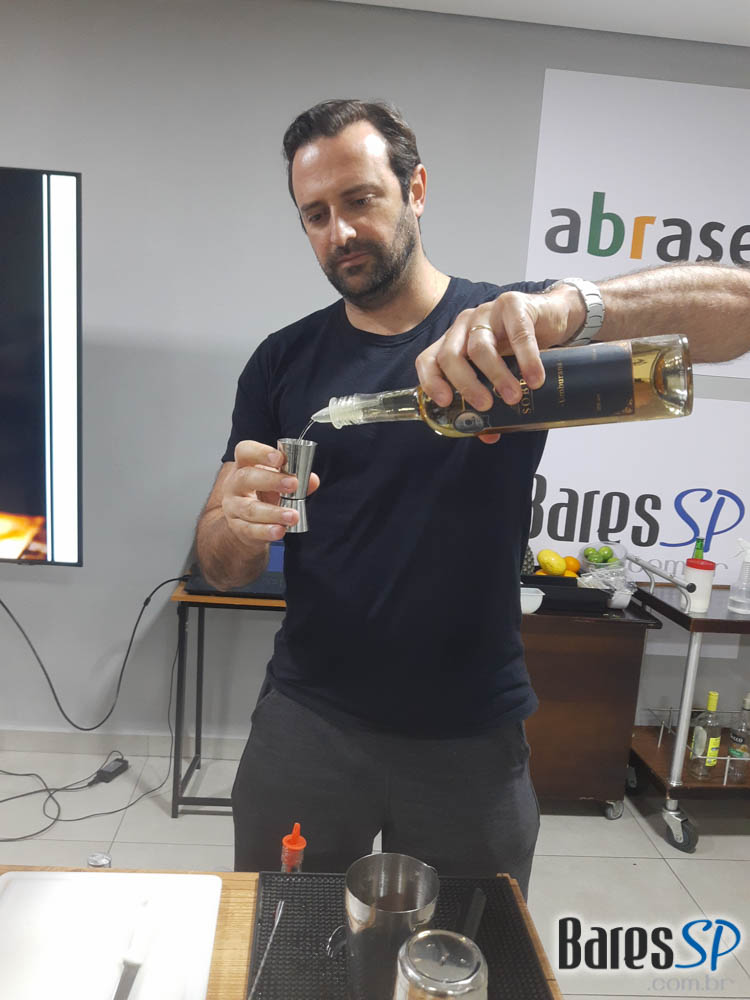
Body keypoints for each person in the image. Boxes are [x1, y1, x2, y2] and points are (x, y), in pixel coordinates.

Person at [196, 99, 750, 897]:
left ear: (416, 190)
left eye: (360, 199)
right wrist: (239, 526)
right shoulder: (281, 362)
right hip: (309, 721)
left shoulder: (507, 334)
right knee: (285, 940)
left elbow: (736, 313)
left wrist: (566, 309)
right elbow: (218, 561)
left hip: (471, 735)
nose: (339, 232)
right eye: (315, 214)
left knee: (463, 951)